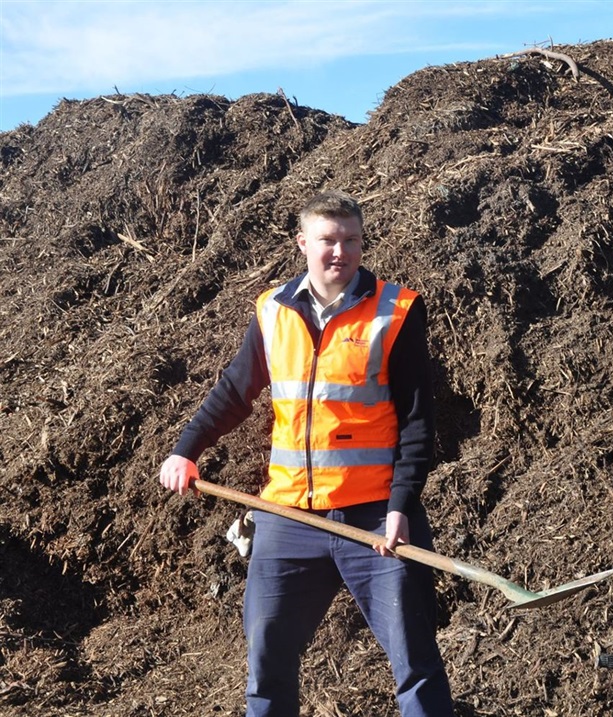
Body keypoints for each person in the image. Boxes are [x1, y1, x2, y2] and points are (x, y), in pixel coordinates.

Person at [159, 189, 454, 717]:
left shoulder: (396, 311)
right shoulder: (273, 311)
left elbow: (417, 422)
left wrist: (401, 506)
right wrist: (187, 450)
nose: (340, 251)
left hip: (374, 519)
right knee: (267, 659)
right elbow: (235, 392)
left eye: (351, 240)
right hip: (288, 517)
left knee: (416, 663)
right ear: (303, 243)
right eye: (327, 240)